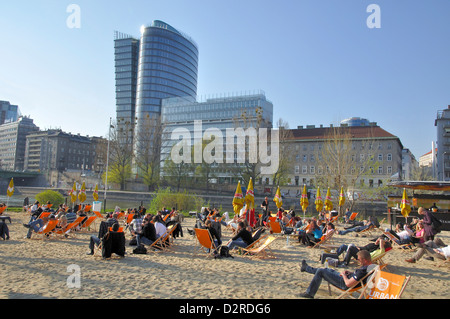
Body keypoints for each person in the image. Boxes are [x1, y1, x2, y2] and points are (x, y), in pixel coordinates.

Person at [299, 250, 373, 299]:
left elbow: (348, 284)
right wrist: (351, 273)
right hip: (346, 279)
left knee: (321, 271)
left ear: (365, 260)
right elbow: (357, 277)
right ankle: (306, 268)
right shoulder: (370, 267)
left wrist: (344, 275)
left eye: (359, 259)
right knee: (327, 270)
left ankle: (309, 294)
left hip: (343, 283)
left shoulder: (362, 271)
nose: (357, 260)